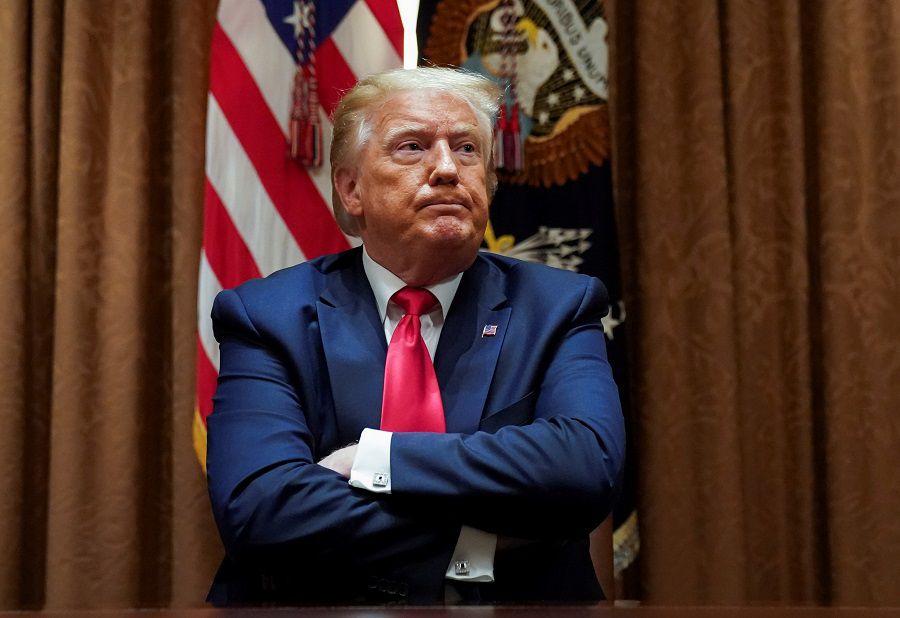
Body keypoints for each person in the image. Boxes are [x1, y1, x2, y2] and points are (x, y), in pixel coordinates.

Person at [205, 67, 625, 605]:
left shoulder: (559, 306)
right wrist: (482, 537)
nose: (448, 169)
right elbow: (262, 510)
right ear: (351, 187)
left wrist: (376, 460)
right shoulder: (267, 316)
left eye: (468, 150)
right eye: (412, 147)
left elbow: (585, 468)